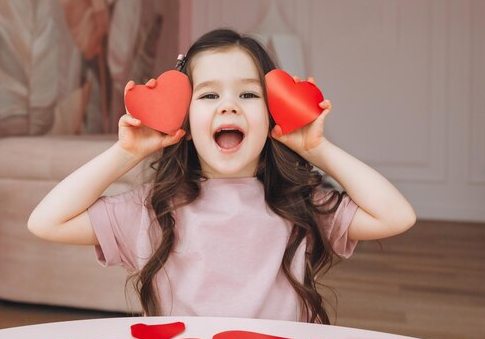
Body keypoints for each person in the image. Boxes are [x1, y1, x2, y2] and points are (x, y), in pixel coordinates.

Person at [28, 28, 416, 323]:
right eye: (209, 95)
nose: (229, 106)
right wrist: (126, 153)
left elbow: (397, 216)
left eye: (248, 95)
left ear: (271, 116)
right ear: (185, 117)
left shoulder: (299, 204)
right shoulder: (152, 209)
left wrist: (318, 150)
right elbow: (46, 222)